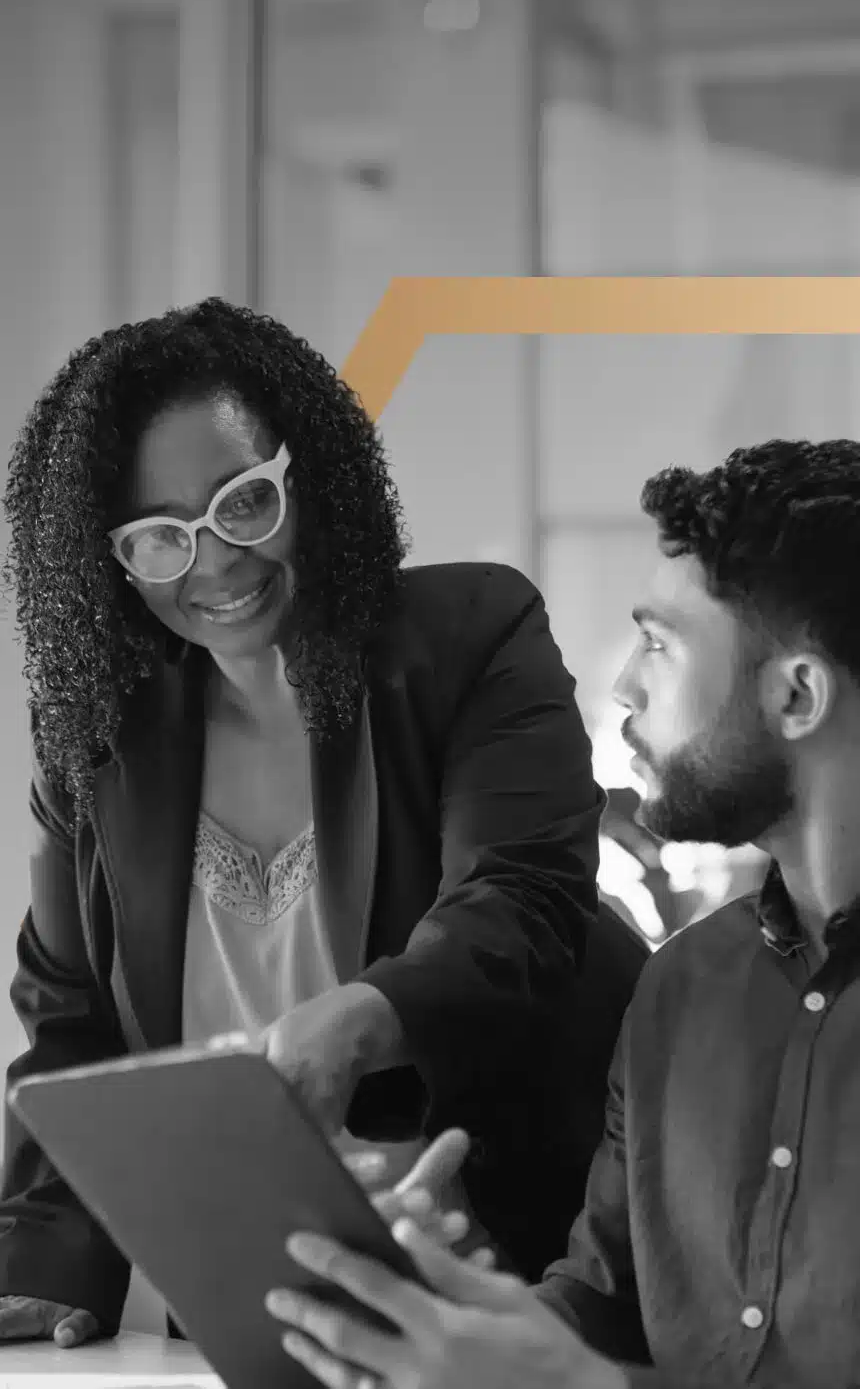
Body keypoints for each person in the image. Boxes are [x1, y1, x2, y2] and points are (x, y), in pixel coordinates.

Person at [0, 296, 646, 1349]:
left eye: (242, 504)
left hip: (498, 1280)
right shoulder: (96, 737)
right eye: (160, 538)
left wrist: (360, 1018)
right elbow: (70, 1022)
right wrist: (38, 1269)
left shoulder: (471, 636)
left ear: (309, 475)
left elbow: (519, 901)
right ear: (107, 561)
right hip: (229, 1295)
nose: (212, 564)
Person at [265, 438, 860, 1389]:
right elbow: (601, 1303)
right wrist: (455, 1315)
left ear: (797, 694)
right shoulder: (681, 986)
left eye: (661, 644)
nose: (623, 686)